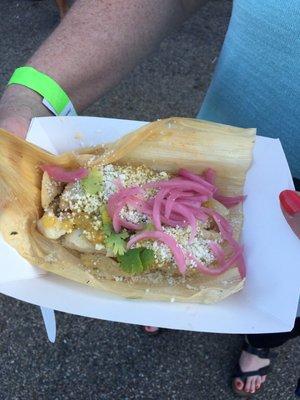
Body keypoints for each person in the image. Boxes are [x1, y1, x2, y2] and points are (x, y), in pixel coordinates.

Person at [0, 0, 299, 397]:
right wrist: (33, 97)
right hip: (221, 146)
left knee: (284, 312)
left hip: (227, 185)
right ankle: (169, 309)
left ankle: (259, 345)